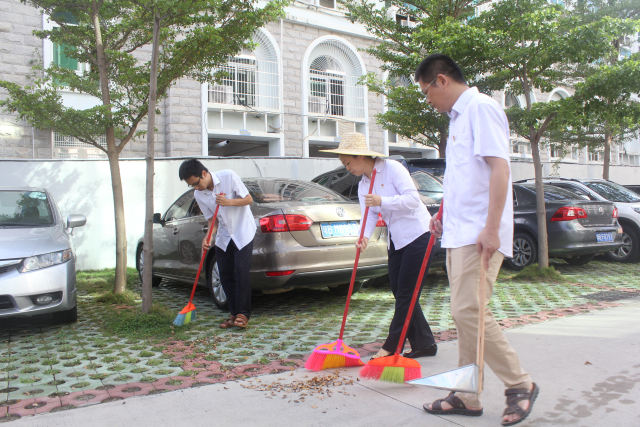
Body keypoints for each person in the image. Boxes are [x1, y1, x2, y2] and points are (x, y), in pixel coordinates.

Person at [415, 54, 538, 426]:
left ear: (441, 80)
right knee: (467, 314)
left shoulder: (481, 108)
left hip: (479, 233)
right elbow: (465, 179)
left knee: (469, 311)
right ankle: (467, 394)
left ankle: (520, 384)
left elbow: (500, 168)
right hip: (459, 231)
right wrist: (443, 214)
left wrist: (491, 227)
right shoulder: (458, 120)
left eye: (426, 92)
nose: (428, 101)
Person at [321, 132, 438, 360]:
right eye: (344, 164)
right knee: (400, 290)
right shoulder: (364, 184)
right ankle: (424, 343)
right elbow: (369, 214)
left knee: (406, 293)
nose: (347, 169)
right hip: (398, 239)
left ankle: (392, 346)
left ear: (360, 156)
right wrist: (363, 236)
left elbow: (413, 200)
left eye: (348, 163)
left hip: (420, 234)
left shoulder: (392, 168)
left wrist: (383, 200)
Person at [178, 159, 256, 329]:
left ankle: (243, 314)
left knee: (241, 272)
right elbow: (211, 220)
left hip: (243, 231)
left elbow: (248, 199)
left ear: (204, 174)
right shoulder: (199, 194)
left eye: (197, 183)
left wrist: (228, 202)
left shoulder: (228, 176)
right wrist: (208, 237)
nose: (196, 188)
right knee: (225, 275)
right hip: (224, 235)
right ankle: (234, 313)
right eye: (192, 186)